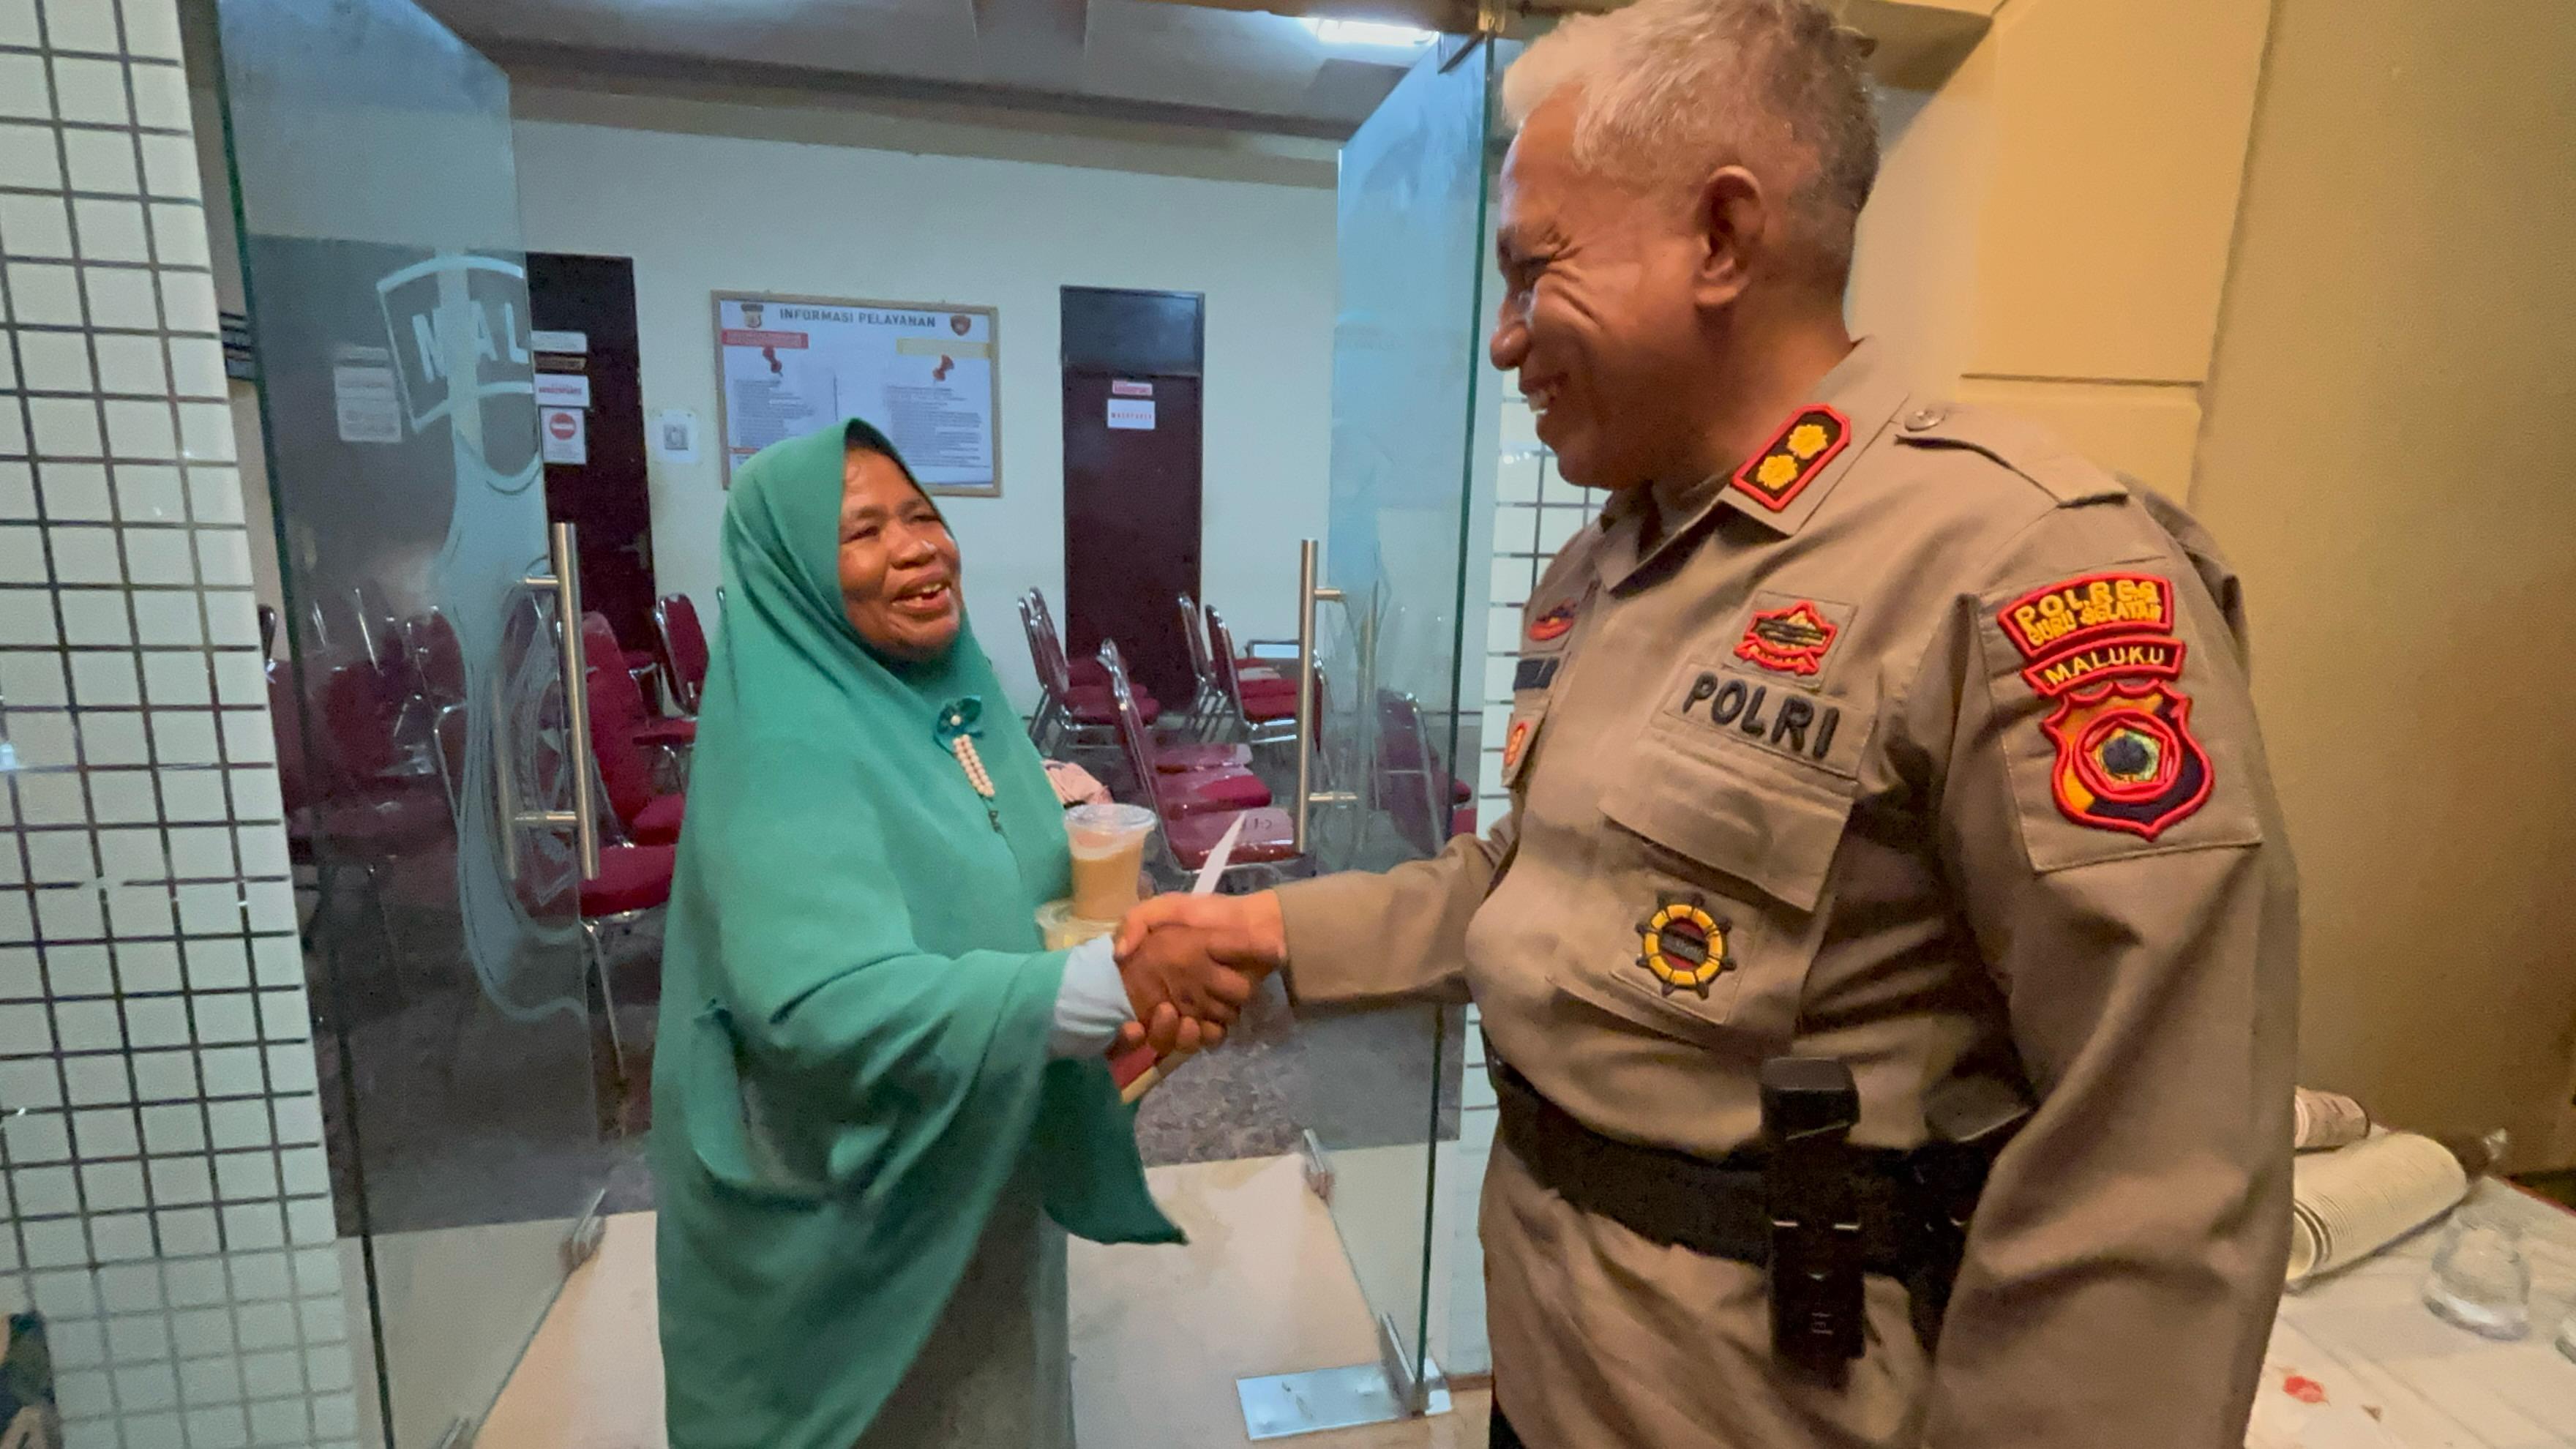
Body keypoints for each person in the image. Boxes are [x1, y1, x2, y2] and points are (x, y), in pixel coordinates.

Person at [1117, 1, 2297, 1445]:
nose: (1501, 343)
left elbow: (2154, 1181)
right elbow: (1542, 887)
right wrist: (1269, 934)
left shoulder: (2016, 569)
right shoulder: (1614, 562)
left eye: (1529, 276)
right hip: (1557, 1375)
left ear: (1721, 240)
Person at [649, 418, 1252, 1448]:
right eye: (865, 532)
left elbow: (1014, 904)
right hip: (849, 1224)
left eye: (923, 514)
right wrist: (1109, 987)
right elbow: (825, 1004)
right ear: (791, 571)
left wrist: (1120, 1017)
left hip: (976, 1173)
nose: (918, 547)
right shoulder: (785, 743)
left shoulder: (957, 703)